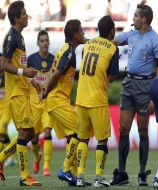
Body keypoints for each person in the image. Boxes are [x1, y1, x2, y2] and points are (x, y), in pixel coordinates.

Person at [110, 4, 158, 186]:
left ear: (144, 20)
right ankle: (122, 172)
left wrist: (154, 96)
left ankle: (142, 173)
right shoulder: (131, 34)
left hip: (145, 87)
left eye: (135, 16)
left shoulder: (156, 40)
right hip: (128, 84)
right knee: (123, 129)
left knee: (143, 131)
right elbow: (113, 41)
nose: (132, 18)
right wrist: (96, 41)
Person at [0, 1, 42, 186]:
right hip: (16, 93)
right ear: (17, 18)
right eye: (24, 14)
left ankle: (1, 157)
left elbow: (19, 64)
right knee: (25, 132)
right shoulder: (11, 37)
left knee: (30, 132)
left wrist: (32, 81)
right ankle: (24, 176)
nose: (27, 16)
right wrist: (24, 73)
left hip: (23, 90)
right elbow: (4, 64)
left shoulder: (20, 37)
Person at [40, 19, 85, 186]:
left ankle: (71, 174)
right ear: (75, 35)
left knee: (71, 136)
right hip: (56, 100)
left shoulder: (65, 49)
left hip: (59, 100)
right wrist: (45, 92)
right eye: (81, 31)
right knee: (79, 131)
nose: (83, 34)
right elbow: (56, 75)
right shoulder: (70, 53)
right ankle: (65, 169)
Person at [76, 15, 119, 188]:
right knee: (102, 141)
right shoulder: (112, 48)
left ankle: (79, 177)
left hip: (80, 97)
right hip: (97, 99)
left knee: (83, 139)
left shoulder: (88, 44)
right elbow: (113, 75)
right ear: (112, 31)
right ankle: (98, 178)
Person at [27, 30, 55, 176]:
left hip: (48, 103)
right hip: (34, 104)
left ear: (49, 42)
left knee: (48, 131)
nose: (44, 43)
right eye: (42, 41)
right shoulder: (31, 60)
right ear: (38, 43)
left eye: (46, 40)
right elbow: (24, 79)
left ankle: (46, 166)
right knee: (34, 137)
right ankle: (37, 157)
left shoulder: (54, 60)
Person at [0, 53, 16, 168]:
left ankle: (2, 156)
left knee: (2, 129)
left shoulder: (8, 74)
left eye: (2, 61)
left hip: (7, 108)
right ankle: (10, 157)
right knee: (2, 133)